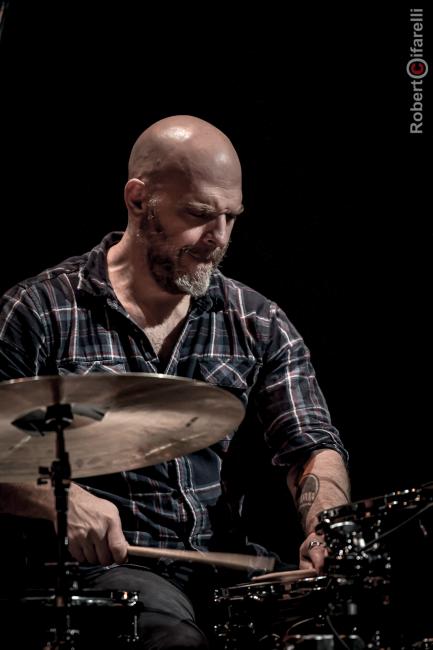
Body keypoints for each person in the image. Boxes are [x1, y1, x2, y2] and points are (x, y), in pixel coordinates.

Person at [0, 115, 350, 649]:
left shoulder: (256, 320)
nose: (219, 238)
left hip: (221, 567)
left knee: (343, 626)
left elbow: (312, 447)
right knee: (173, 639)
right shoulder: (40, 310)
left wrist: (326, 527)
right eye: (200, 215)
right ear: (138, 199)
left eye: (231, 218)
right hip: (104, 575)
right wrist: (59, 500)